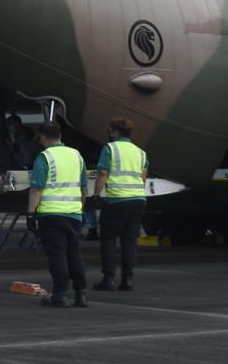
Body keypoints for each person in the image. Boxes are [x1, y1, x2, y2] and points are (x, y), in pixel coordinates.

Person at [28, 121, 89, 307]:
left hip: (51, 215)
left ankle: (60, 294)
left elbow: (36, 189)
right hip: (74, 214)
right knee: (74, 254)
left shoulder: (44, 157)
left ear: (43, 137)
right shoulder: (76, 155)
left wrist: (31, 214)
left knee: (57, 255)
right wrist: (81, 209)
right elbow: (84, 188)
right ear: (60, 136)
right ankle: (81, 294)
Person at [91, 116, 149, 292]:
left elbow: (102, 173)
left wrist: (96, 194)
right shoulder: (140, 152)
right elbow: (143, 177)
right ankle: (127, 280)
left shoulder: (110, 148)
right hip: (138, 199)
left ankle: (109, 279)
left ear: (115, 132)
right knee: (129, 240)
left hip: (116, 200)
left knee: (108, 239)